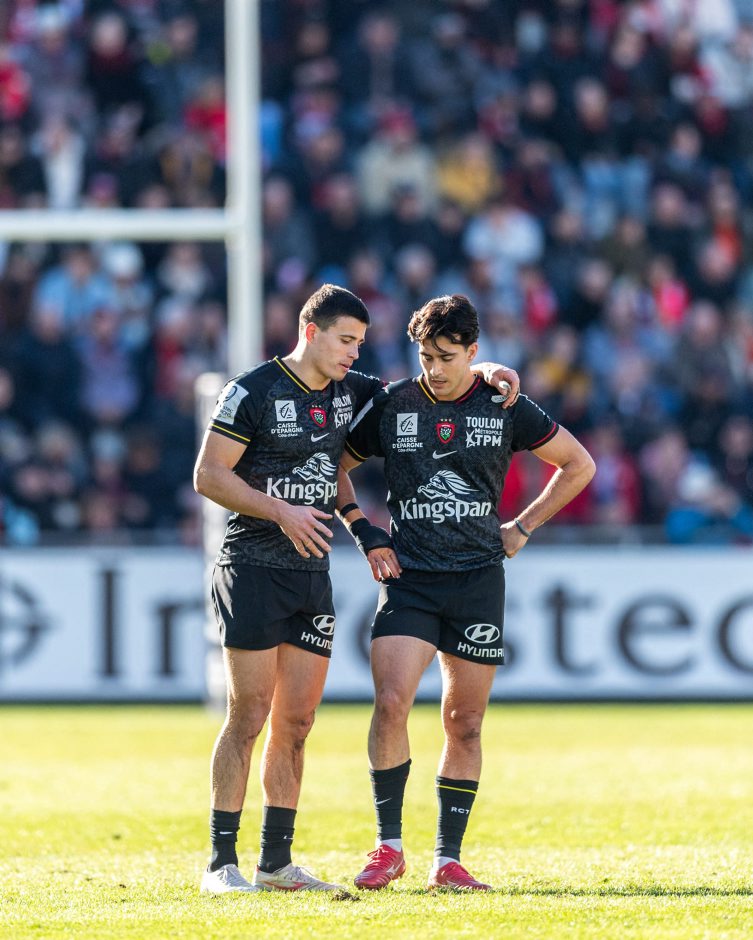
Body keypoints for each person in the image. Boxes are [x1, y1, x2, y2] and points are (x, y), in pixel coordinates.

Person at [193, 284, 520, 894]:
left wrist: (490, 370)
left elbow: (434, 380)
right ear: (310, 332)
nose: (354, 353)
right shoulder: (253, 390)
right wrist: (281, 512)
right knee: (249, 714)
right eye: (346, 340)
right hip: (253, 565)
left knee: (297, 722)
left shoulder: (357, 392)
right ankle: (220, 863)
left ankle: (275, 864)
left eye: (360, 343)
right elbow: (208, 475)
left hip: (310, 575)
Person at [338, 294, 595, 892]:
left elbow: (578, 464)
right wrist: (364, 531)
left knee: (465, 721)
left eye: (447, 358)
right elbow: (335, 465)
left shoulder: (503, 403)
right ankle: (388, 847)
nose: (434, 369)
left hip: (478, 580)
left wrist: (522, 526)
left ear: (473, 352)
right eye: (425, 356)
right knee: (391, 702)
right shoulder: (393, 404)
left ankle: (447, 860)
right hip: (410, 582)